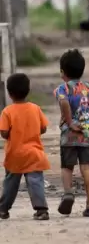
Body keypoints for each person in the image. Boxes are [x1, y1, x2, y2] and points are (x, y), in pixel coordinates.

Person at [54, 49, 89, 218]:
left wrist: (69, 122)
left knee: (67, 166)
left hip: (68, 135)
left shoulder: (62, 89)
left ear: (63, 72)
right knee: (87, 167)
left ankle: (68, 192)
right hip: (86, 135)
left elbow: (63, 102)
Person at [0, 73, 50, 220]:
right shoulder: (35, 108)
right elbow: (43, 128)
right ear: (28, 90)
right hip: (34, 153)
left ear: (9, 93)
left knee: (10, 183)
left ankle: (3, 209)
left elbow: (4, 132)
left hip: (15, 154)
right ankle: (41, 210)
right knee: (36, 182)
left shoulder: (7, 111)